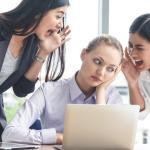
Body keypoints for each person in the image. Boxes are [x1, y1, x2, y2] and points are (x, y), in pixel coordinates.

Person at [2, 34, 123, 145]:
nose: (101, 73)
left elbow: (110, 142)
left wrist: (101, 92)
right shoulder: (49, 91)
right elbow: (9, 133)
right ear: (83, 54)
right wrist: (58, 137)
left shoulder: (111, 96)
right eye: (97, 61)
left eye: (110, 69)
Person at [0, 0, 71, 140]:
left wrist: (43, 52)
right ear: (39, 9)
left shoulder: (31, 44)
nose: (59, 26)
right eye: (58, 16)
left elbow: (21, 89)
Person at [121, 13, 150, 119]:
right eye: (130, 46)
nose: (132, 54)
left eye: (140, 48)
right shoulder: (141, 73)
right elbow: (140, 113)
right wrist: (132, 83)